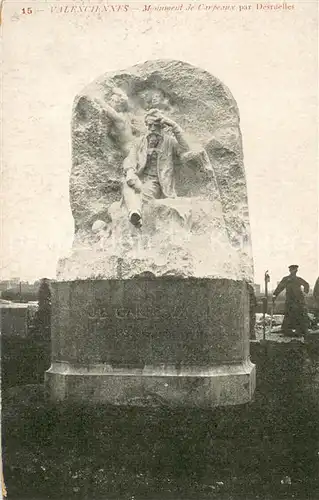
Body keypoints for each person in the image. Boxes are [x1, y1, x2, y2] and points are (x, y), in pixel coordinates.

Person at [122, 108, 189, 228]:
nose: (152, 129)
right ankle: (134, 212)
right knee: (127, 185)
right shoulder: (140, 142)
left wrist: (174, 126)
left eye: (156, 125)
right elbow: (130, 159)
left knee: (145, 192)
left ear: (162, 126)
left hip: (156, 182)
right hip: (139, 178)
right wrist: (130, 172)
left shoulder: (170, 142)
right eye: (150, 125)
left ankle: (135, 213)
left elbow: (185, 148)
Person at [272, 265, 309, 337]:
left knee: (300, 314)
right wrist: (274, 295)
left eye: (295, 270)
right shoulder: (286, 279)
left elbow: (306, 284)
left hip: (298, 300)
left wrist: (305, 292)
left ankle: (301, 330)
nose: (293, 272)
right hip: (290, 300)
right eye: (292, 270)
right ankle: (287, 330)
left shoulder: (298, 279)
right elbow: (279, 287)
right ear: (290, 271)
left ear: (296, 271)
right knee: (288, 314)